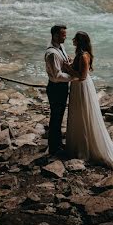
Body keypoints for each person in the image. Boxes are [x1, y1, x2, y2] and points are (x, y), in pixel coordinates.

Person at [65, 31, 113, 169]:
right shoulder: (81, 55)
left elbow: (81, 76)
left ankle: (84, 148)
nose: (72, 40)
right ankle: (78, 145)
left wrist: (67, 69)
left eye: (75, 38)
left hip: (81, 87)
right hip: (78, 87)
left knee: (82, 114)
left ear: (80, 41)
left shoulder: (83, 56)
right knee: (79, 114)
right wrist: (71, 63)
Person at [44, 24, 72, 156]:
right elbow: (57, 76)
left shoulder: (61, 47)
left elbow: (62, 65)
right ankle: (54, 148)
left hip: (61, 87)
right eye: (63, 35)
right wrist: (75, 77)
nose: (65, 37)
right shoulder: (52, 53)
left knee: (59, 116)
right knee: (56, 117)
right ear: (55, 35)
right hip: (56, 88)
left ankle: (57, 143)